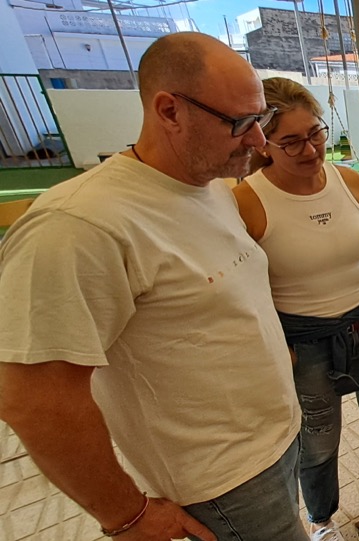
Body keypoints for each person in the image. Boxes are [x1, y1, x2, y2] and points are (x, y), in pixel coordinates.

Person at [0, 33, 307, 540]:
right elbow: (34, 398)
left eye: (262, 121)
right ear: (169, 111)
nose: (258, 142)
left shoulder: (207, 187)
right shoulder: (79, 225)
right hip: (224, 481)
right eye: (241, 123)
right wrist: (127, 515)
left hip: (276, 439)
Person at [232, 78, 359, 541]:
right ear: (264, 143)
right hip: (303, 340)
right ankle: (321, 521)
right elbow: (243, 291)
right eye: (290, 141)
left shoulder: (349, 180)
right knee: (317, 440)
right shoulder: (247, 201)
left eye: (315, 133)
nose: (310, 150)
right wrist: (280, 350)